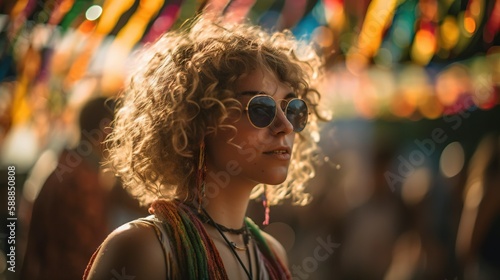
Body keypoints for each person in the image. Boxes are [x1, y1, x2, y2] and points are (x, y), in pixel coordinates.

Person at [84, 14, 324, 280]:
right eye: (260, 108)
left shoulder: (271, 255)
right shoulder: (147, 248)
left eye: (292, 109)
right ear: (196, 122)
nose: (286, 126)